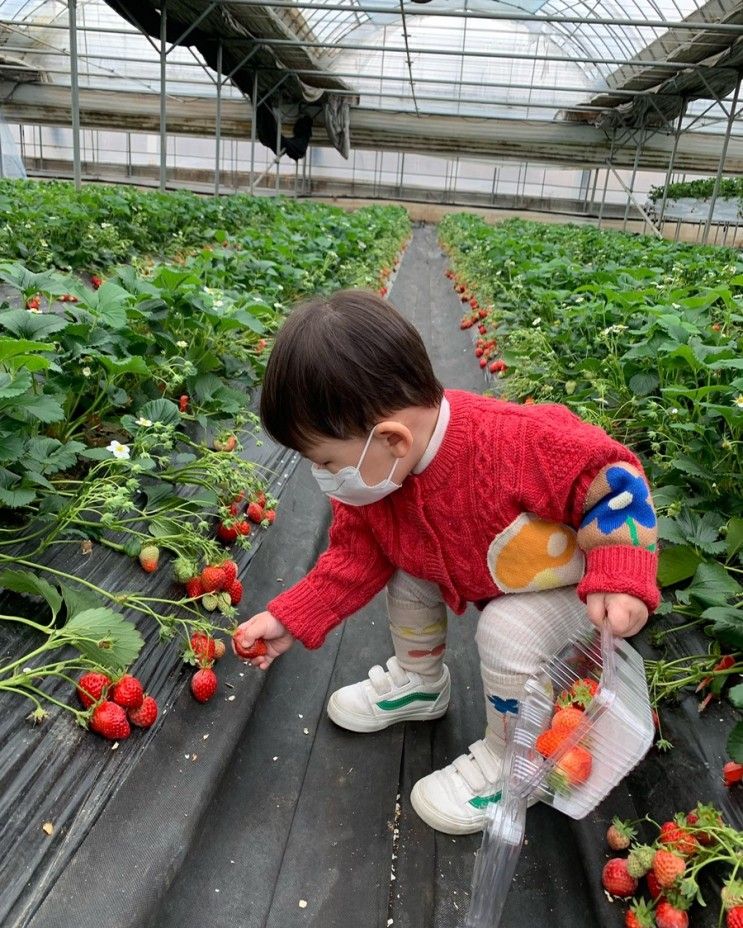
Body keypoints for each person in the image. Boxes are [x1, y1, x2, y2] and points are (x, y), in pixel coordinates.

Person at [232, 289, 659, 835]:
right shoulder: (379, 481)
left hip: (578, 591)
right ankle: (419, 681)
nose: (323, 477)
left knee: (505, 632)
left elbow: (613, 478)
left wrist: (620, 572)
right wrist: (290, 616)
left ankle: (513, 762)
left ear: (390, 438)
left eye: (326, 461)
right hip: (497, 575)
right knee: (405, 563)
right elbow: (354, 557)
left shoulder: (516, 443)